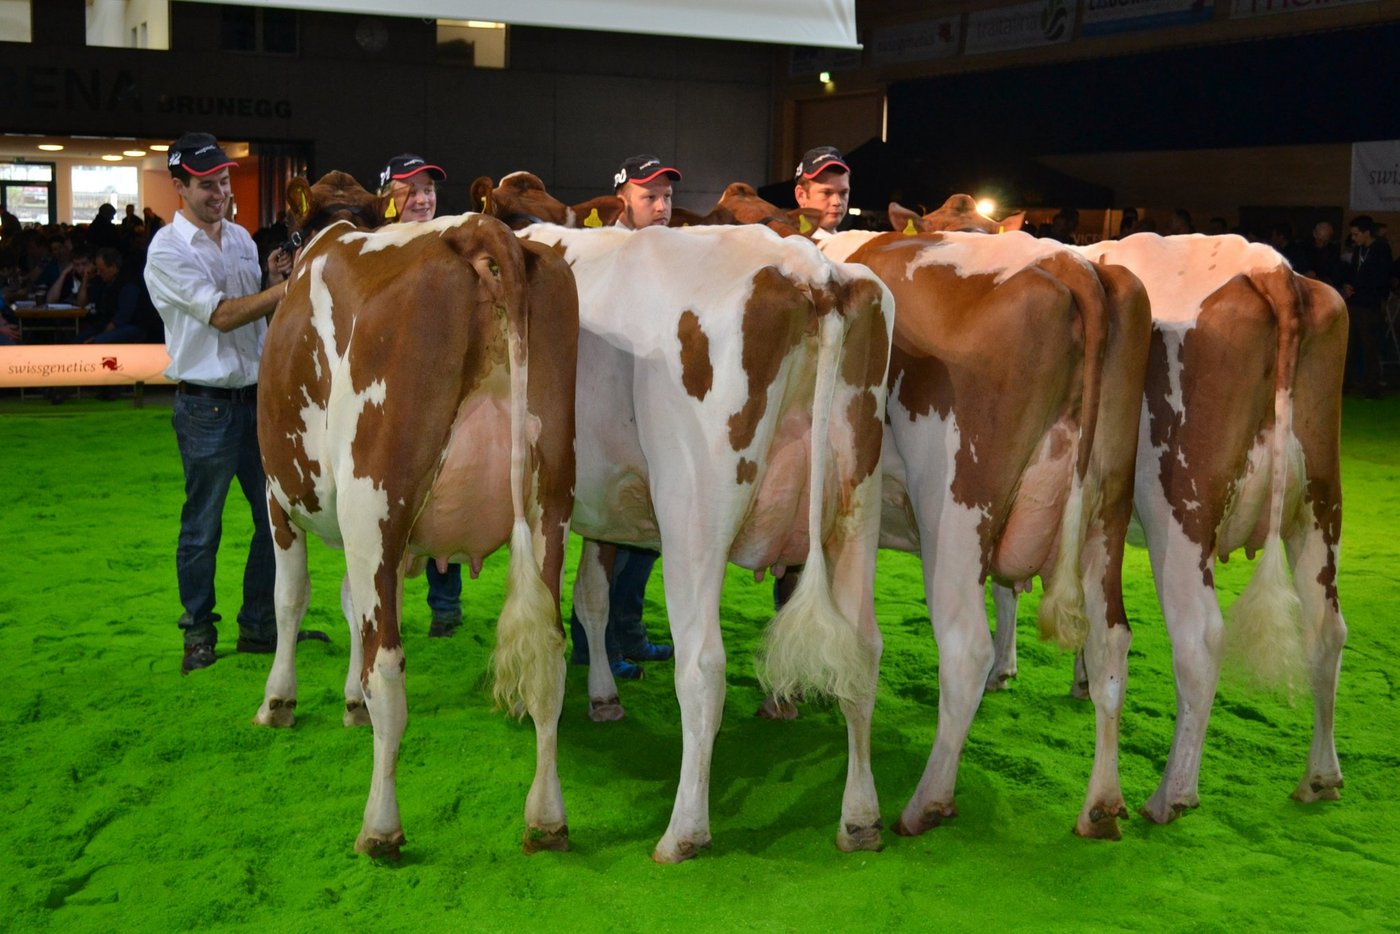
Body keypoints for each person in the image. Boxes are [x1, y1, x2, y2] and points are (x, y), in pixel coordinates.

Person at [144, 131, 327, 674]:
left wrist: (270, 279)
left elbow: (256, 321)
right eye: (206, 184)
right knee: (203, 526)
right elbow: (222, 314)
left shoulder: (242, 242)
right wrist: (284, 287)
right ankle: (198, 633)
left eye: (223, 181)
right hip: (205, 408)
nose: (219, 191)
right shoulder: (167, 250)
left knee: (275, 520)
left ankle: (258, 627)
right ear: (178, 187)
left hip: (256, 400)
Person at [566, 155, 680, 679]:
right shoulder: (600, 252)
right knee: (605, 532)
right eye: (649, 197)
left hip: (650, 404)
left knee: (645, 535)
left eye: (666, 197)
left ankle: (629, 632)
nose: (661, 207)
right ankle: (595, 644)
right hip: (601, 410)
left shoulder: (668, 252)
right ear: (622, 202)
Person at [375, 152, 463, 637]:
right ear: (388, 197)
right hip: (386, 394)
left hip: (442, 388)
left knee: (442, 492)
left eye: (428, 189)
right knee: (389, 499)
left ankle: (445, 606)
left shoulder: (453, 240)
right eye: (411, 190)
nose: (423, 198)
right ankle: (383, 604)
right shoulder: (374, 247)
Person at [1341, 214, 1392, 399]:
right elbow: (1353, 272)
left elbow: (1381, 278)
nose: (1353, 238)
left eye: (1356, 234)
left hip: (1369, 305)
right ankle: (1346, 384)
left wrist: (1361, 289)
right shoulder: (1359, 250)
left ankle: (1372, 388)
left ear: (1366, 233)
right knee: (1350, 346)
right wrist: (1347, 284)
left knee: (1370, 347)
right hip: (1355, 303)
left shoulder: (1381, 249)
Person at [793, 146, 851, 238]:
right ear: (801, 196)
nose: (837, 202)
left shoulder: (847, 242)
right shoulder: (790, 243)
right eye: (826, 193)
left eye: (843, 193)